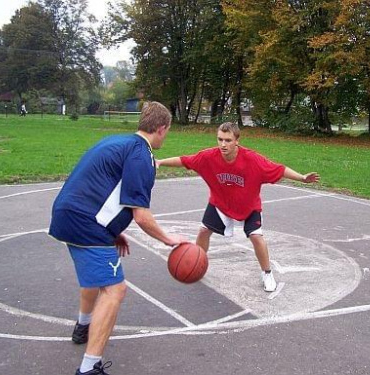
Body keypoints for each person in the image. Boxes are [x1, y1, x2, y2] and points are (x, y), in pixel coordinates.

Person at [49, 101, 186, 375]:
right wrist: (168, 239)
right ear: (161, 129)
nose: (166, 135)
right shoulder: (142, 156)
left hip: (68, 215)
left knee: (97, 278)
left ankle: (83, 327)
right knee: (115, 289)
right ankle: (89, 368)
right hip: (87, 224)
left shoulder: (117, 142)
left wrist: (114, 231)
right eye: (168, 131)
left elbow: (99, 189)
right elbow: (142, 215)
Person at [157, 122, 320, 292]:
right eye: (220, 139)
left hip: (249, 206)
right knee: (203, 231)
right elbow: (184, 160)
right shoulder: (208, 157)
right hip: (220, 203)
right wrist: (160, 162)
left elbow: (279, 169)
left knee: (256, 237)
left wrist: (302, 178)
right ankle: (198, 263)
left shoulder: (253, 160)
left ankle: (267, 273)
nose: (223, 144)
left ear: (237, 141)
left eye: (228, 140)